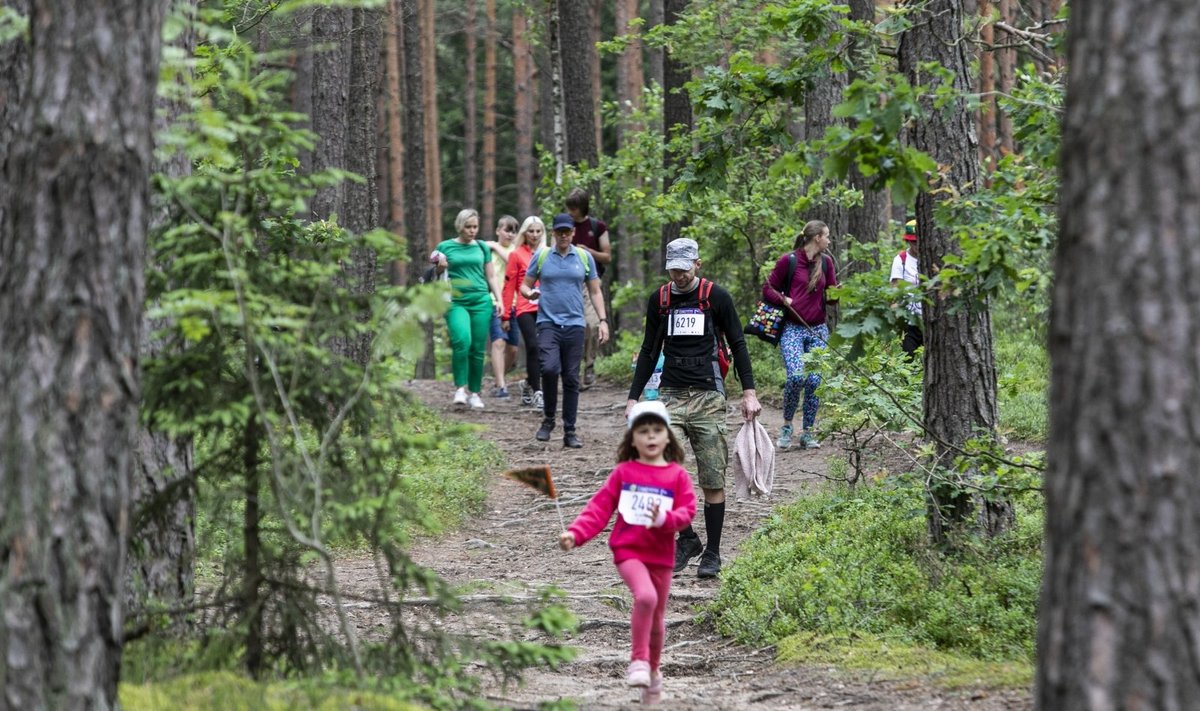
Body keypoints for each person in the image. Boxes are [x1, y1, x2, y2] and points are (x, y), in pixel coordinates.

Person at [627, 237, 762, 579]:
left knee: (712, 477)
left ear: (697, 265)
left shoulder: (716, 297)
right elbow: (647, 349)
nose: (679, 275)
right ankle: (687, 538)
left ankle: (713, 553)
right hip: (670, 394)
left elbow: (738, 343)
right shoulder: (659, 299)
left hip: (708, 396)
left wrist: (749, 392)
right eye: (674, 268)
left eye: (685, 269)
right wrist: (634, 397)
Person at [559, 400, 696, 704]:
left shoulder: (677, 476)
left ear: (668, 437)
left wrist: (666, 520)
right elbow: (599, 509)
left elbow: (688, 511)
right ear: (632, 438)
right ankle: (638, 660)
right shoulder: (624, 473)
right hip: (629, 550)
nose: (650, 437)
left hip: (661, 555)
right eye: (643, 431)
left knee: (659, 618)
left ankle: (653, 673)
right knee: (645, 597)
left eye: (657, 430)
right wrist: (575, 534)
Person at [523, 213, 609, 448]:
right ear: (553, 233)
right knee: (549, 369)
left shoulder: (583, 257)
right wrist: (529, 294)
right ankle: (548, 419)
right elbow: (524, 285)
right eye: (559, 231)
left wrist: (602, 320)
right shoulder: (541, 257)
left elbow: (595, 291)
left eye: (567, 231)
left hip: (574, 324)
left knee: (571, 378)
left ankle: (570, 430)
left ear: (572, 233)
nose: (563, 235)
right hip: (548, 323)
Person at [763, 220, 839, 451]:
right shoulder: (790, 261)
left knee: (815, 381)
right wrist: (783, 299)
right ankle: (787, 425)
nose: (828, 240)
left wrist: (838, 292)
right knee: (796, 376)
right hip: (792, 329)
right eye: (826, 236)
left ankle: (808, 431)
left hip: (818, 330)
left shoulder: (826, 263)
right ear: (816, 238)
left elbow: (832, 298)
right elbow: (768, 288)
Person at [432, 208, 504, 410]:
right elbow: (436, 272)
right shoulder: (445, 246)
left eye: (475, 227)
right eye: (468, 226)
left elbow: (491, 277)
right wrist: (441, 266)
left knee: (478, 348)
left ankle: (474, 392)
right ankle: (460, 389)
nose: (472, 230)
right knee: (462, 340)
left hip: (481, 301)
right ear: (460, 226)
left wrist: (499, 300)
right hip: (456, 301)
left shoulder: (482, 247)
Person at [565, 188, 611, 390]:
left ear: (582, 207)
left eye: (574, 208)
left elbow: (607, 256)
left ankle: (589, 366)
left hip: (591, 282)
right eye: (569, 207)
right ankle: (571, 369)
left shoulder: (597, 226)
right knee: (575, 327)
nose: (571, 211)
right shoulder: (565, 226)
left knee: (592, 325)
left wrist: (588, 251)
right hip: (567, 282)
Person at [501, 216, 547, 408]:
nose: (535, 235)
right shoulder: (516, 255)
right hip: (524, 308)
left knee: (545, 351)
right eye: (531, 231)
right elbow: (509, 285)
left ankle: (528, 383)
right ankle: (538, 392)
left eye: (538, 231)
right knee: (533, 346)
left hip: (546, 308)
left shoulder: (548, 253)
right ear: (524, 233)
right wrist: (505, 315)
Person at [486, 215, 521, 399]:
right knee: (498, 342)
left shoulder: (517, 250)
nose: (510, 234)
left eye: (513, 231)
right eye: (506, 230)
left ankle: (498, 378)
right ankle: (501, 386)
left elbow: (512, 261)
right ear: (498, 230)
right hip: (495, 301)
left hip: (516, 303)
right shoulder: (488, 252)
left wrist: (496, 246)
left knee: (513, 349)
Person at [890, 219, 923, 359]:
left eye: (918, 241)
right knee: (908, 360)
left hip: (930, 321)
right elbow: (894, 291)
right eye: (913, 241)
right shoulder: (901, 259)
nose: (916, 245)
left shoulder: (934, 256)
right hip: (909, 322)